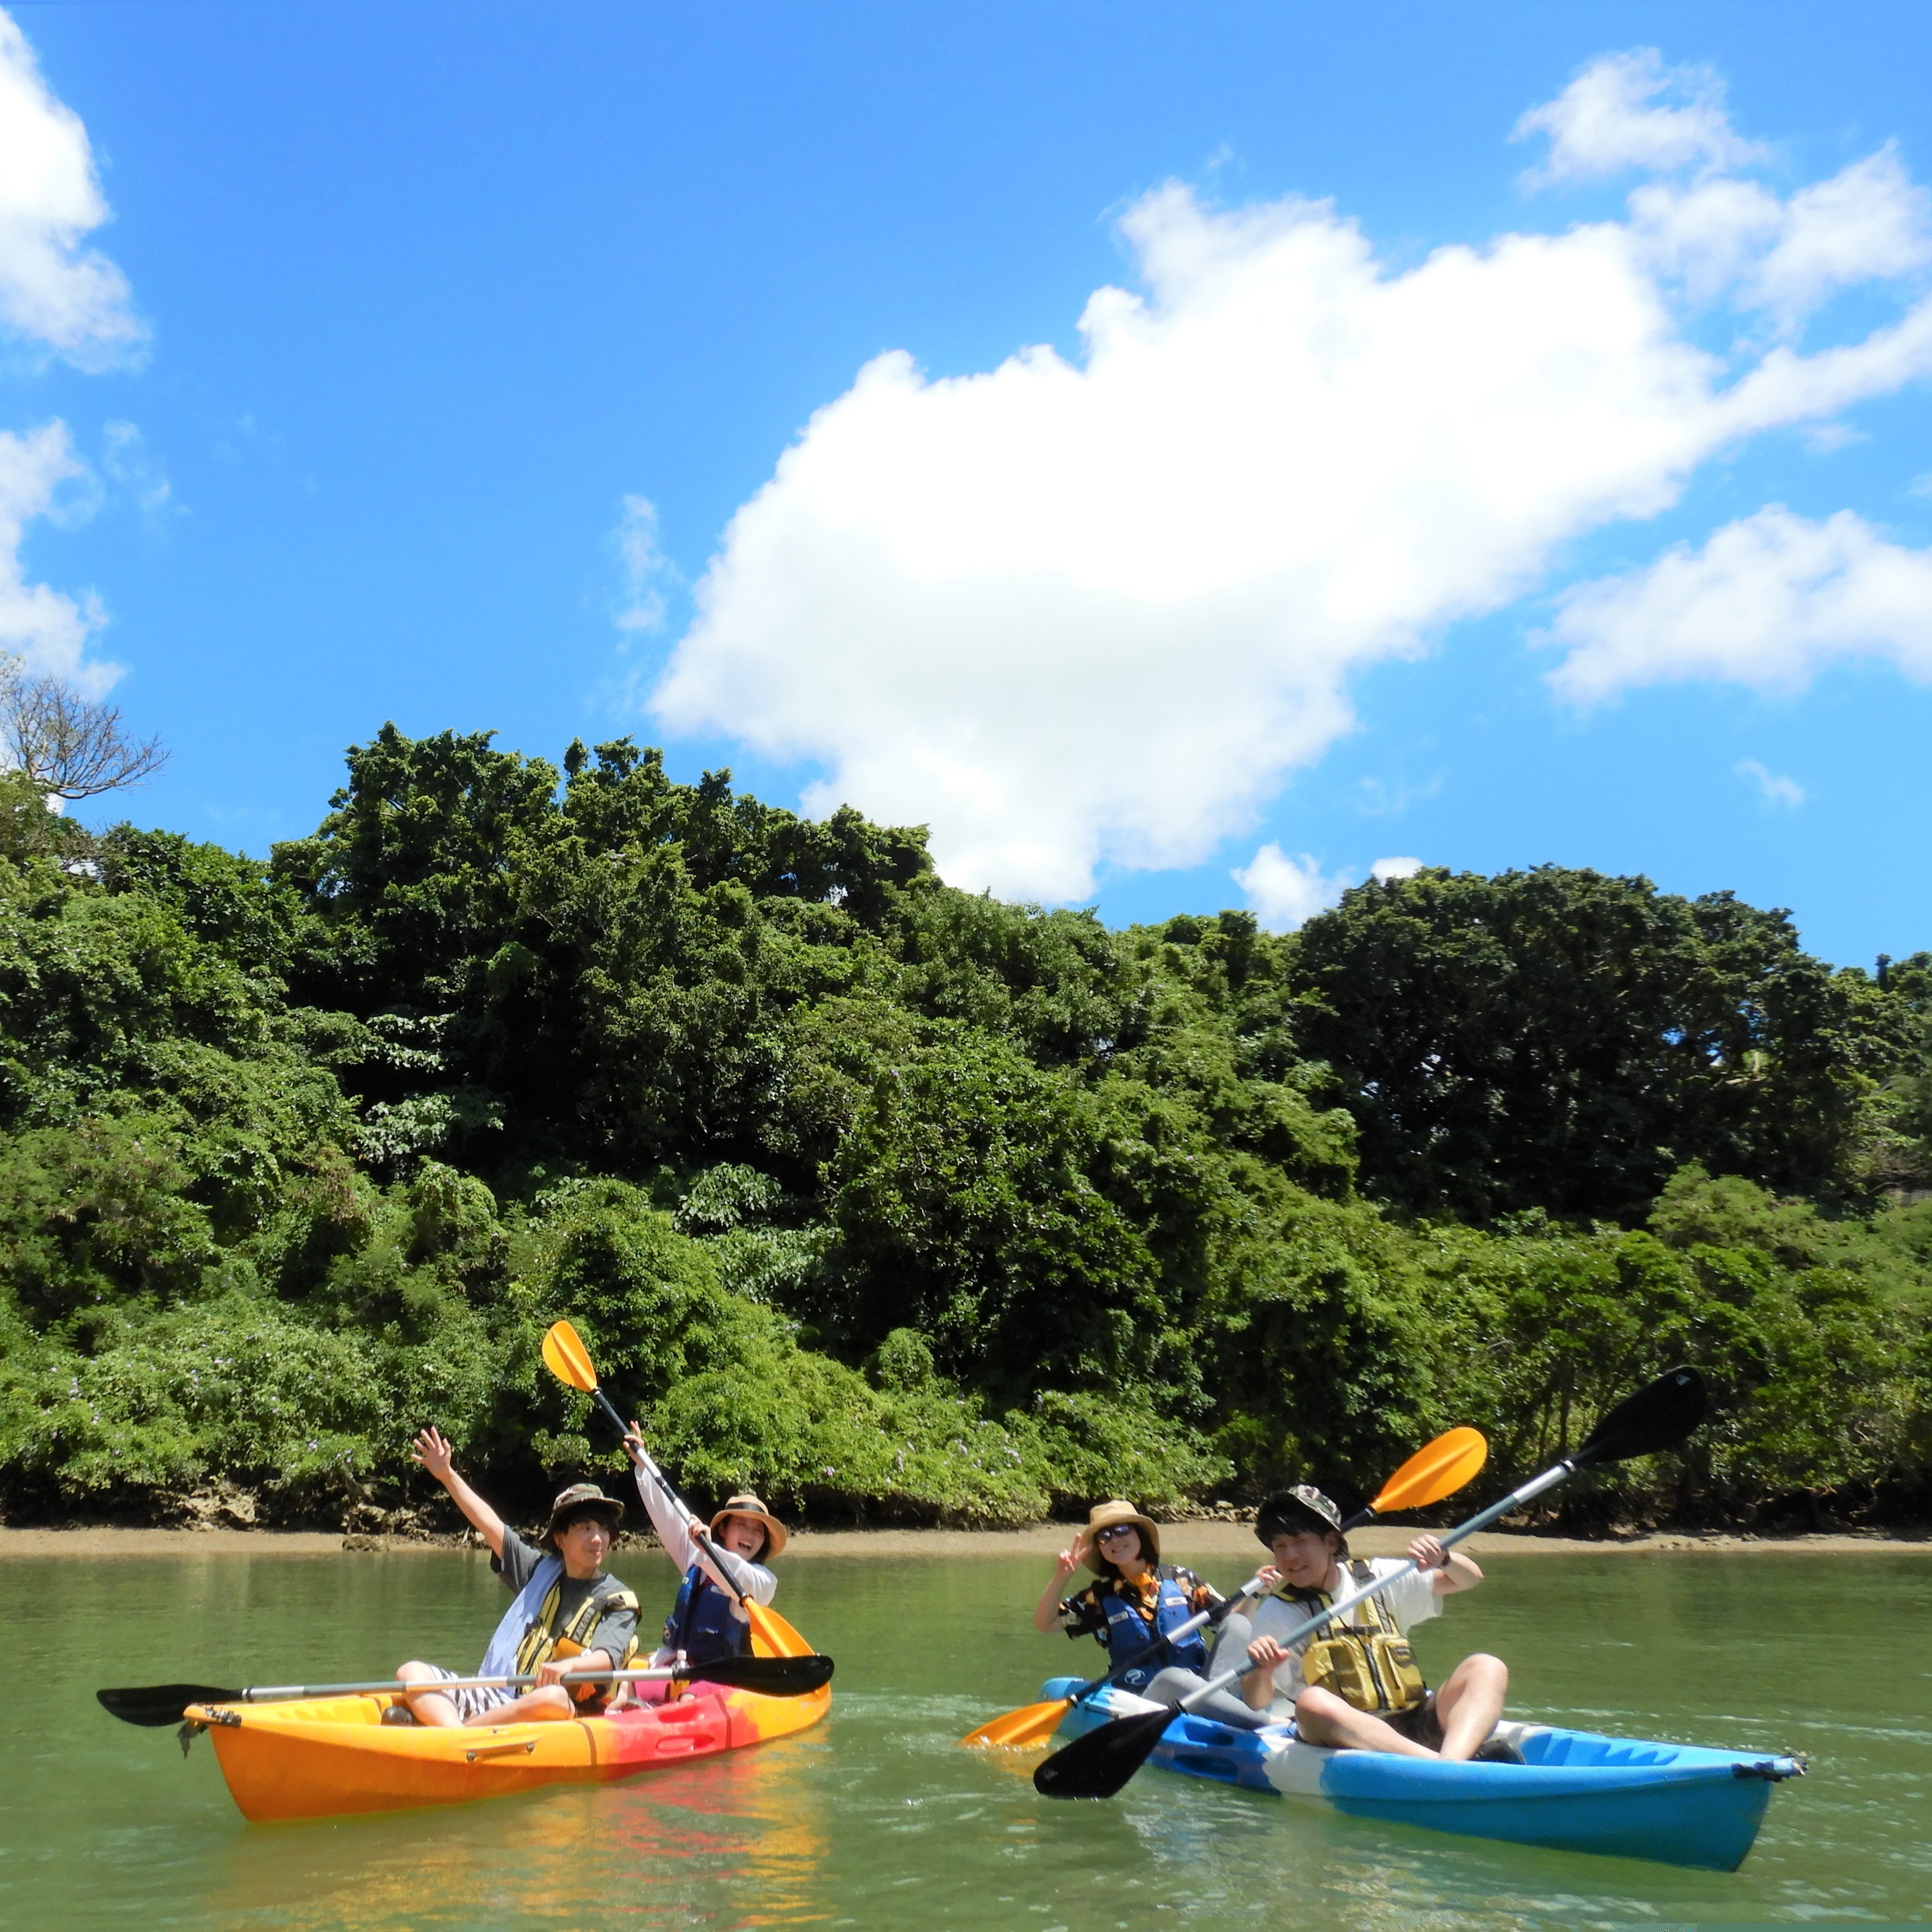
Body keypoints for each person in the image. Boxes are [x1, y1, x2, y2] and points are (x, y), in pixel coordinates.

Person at [1238, 1484, 1515, 1761]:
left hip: (1414, 1721)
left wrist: (1444, 1559)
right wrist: (1262, 1671)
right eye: (1281, 1546)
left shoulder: (1378, 1577)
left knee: (1487, 1666)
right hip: (1346, 1737)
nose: (1290, 1556)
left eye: (1300, 1542)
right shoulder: (1278, 1610)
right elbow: (1256, 1701)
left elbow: (1468, 1579)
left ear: (1331, 1543)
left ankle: (1454, 1761)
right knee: (1312, 1704)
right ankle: (1446, 1767)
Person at [392, 1426, 641, 1727]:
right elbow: (490, 1526)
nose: (597, 1538)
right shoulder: (539, 1571)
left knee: (551, 1697)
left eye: (603, 1529)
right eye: (585, 1528)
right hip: (506, 1698)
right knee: (411, 1673)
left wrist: (572, 1665)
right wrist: (447, 1475)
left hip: (564, 1710)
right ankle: (458, 1736)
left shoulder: (618, 1599)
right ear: (560, 1539)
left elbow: (608, 1656)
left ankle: (457, 1733)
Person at [1035, 1498, 1270, 1731]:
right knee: (1173, 1678)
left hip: (1204, 1687)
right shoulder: (1099, 1598)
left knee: (1237, 1622)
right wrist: (1061, 1577)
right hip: (1146, 1700)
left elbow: (1231, 1624)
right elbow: (1046, 1623)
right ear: (1100, 1548)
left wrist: (1256, 1593)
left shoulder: (1181, 1579)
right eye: (1104, 1537)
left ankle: (1225, 1707)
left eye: (1122, 1530)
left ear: (1139, 1534)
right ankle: (1263, 1723)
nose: (1114, 1540)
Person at [622, 1422, 784, 1681]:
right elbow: (668, 1515)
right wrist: (643, 1462)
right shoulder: (697, 1556)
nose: (750, 1535)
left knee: (687, 1699)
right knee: (626, 1685)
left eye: (758, 1531)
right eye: (741, 1525)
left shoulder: (764, 1582)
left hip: (722, 1677)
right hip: (679, 1666)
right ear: (724, 1530)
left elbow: (740, 1579)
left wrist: (710, 1552)